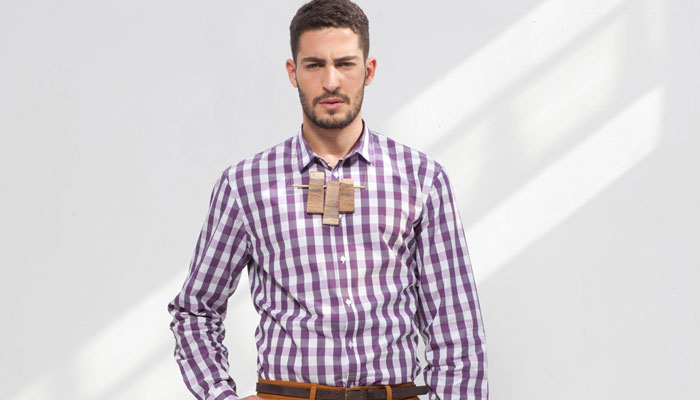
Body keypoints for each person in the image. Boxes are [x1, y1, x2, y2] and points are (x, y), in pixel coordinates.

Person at [167, 0, 488, 399]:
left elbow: (455, 326)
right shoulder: (245, 184)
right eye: (315, 65)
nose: (331, 81)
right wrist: (220, 396)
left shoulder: (421, 178)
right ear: (293, 72)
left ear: (368, 70)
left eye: (345, 64)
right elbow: (195, 310)